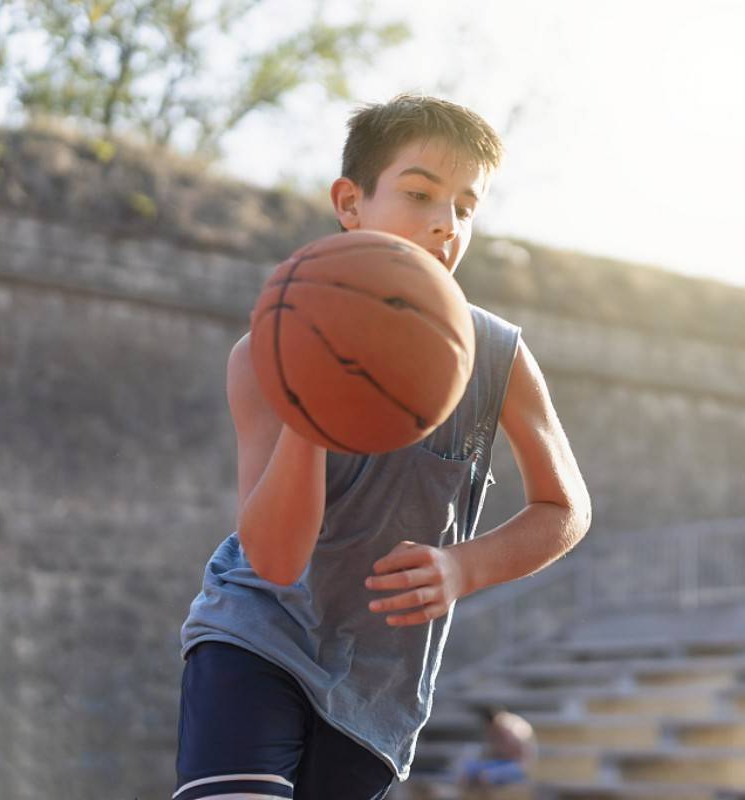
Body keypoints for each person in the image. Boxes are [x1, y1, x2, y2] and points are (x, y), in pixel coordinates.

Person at [173, 94, 591, 800]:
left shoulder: (495, 354)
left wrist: (465, 567)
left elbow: (566, 507)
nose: (444, 222)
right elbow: (273, 559)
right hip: (256, 639)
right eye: (421, 193)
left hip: (379, 689)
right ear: (350, 203)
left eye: (465, 206)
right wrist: (312, 401)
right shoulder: (265, 354)